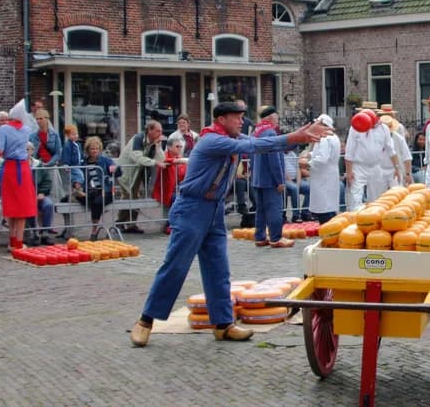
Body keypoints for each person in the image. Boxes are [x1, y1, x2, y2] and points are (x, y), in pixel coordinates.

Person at [130, 102, 331, 347]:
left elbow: (263, 144)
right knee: (176, 266)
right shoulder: (212, 140)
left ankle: (223, 324)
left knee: (218, 268)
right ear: (222, 120)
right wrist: (293, 136)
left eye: (242, 118)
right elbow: (252, 145)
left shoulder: (232, 136)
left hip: (214, 209)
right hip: (193, 207)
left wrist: (298, 137)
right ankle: (145, 321)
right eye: (236, 118)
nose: (241, 122)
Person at [0, 100, 37, 250]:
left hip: (10, 168)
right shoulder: (26, 129)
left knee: (12, 205)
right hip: (23, 168)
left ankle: (12, 241)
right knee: (23, 206)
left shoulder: (3, 130)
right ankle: (18, 243)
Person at [250, 106, 293, 248]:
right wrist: (279, 180)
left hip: (258, 178)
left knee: (260, 210)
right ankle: (276, 237)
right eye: (276, 117)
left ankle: (260, 236)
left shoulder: (256, 132)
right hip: (270, 179)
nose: (278, 120)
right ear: (270, 118)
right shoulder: (270, 133)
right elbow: (274, 159)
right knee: (275, 208)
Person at [345, 103, 398, 210]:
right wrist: (349, 171)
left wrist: (396, 167)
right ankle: (354, 221)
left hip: (376, 167)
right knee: (356, 198)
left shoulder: (384, 128)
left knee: (376, 199)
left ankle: (373, 222)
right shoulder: (355, 128)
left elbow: (390, 150)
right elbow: (349, 151)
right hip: (359, 167)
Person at [116, 121, 166, 233]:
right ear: (150, 130)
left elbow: (161, 158)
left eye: (161, 131)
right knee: (127, 197)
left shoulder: (153, 142)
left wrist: (157, 147)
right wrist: (154, 162)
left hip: (137, 173)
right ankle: (119, 223)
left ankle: (131, 224)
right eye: (158, 131)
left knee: (135, 198)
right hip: (126, 172)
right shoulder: (138, 139)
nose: (160, 133)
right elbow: (137, 157)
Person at [81, 136, 120, 240]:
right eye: (92, 149)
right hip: (90, 191)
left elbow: (118, 173)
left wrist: (115, 169)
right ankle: (96, 227)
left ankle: (94, 230)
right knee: (89, 198)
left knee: (97, 202)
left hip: (106, 190)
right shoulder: (83, 163)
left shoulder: (106, 160)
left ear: (100, 149)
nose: (94, 151)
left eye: (96, 149)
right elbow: (80, 177)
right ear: (88, 150)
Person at [307, 114, 342, 223]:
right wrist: (311, 154)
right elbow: (326, 154)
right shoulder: (334, 137)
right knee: (330, 205)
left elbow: (322, 158)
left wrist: (309, 163)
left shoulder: (325, 138)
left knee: (324, 208)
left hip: (323, 175)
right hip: (330, 174)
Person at [152, 133, 189, 234]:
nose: (180, 148)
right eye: (177, 146)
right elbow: (164, 160)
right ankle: (169, 225)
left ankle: (182, 224)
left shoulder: (180, 158)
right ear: (169, 147)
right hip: (165, 190)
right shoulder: (166, 156)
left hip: (177, 189)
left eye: (181, 146)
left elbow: (183, 175)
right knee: (178, 200)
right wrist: (179, 161)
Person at [25, 142, 56, 245]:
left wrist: (42, 192)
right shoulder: (19, 165)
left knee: (48, 204)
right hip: (26, 196)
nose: (27, 152)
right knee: (29, 205)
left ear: (33, 151)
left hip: (39, 194)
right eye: (25, 149)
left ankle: (45, 232)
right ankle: (34, 233)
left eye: (29, 149)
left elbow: (47, 181)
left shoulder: (39, 164)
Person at [380, 115, 413, 188]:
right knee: (378, 197)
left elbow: (407, 157)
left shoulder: (399, 138)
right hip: (379, 171)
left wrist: (407, 174)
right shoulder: (376, 138)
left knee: (397, 194)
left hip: (394, 170)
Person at [284, 148, 312, 222]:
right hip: (285, 180)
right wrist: (293, 183)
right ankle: (296, 215)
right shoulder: (279, 154)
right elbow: (281, 171)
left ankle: (305, 212)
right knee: (294, 188)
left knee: (309, 187)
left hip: (295, 180)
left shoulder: (292, 154)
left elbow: (298, 169)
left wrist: (298, 182)